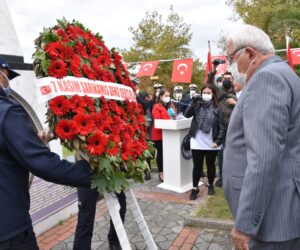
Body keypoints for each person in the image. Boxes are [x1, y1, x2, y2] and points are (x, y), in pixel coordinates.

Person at [0, 57, 92, 250]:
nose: (7, 83)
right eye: (7, 76)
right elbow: (42, 163)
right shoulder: (6, 111)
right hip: (10, 231)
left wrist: (33, 142)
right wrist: (91, 173)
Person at [223, 24, 300, 250]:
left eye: (231, 57)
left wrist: (245, 225)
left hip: (273, 220)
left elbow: (264, 158)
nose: (230, 65)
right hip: (282, 211)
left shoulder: (267, 79)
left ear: (249, 54)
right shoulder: (284, 73)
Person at [184, 84, 224, 199]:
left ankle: (211, 185)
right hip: (197, 141)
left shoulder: (217, 108)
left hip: (212, 142)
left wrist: (218, 141)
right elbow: (187, 115)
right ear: (201, 94)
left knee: (210, 165)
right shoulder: (197, 105)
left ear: (213, 94)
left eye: (208, 93)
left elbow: (221, 126)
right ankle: (195, 188)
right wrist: (192, 103)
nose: (206, 95)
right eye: (204, 93)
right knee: (197, 166)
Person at [214, 71, 237, 187]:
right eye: (225, 78)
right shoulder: (219, 92)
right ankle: (222, 178)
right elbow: (209, 84)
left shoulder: (238, 92)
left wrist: (236, 103)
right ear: (222, 80)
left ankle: (234, 177)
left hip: (235, 129)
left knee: (235, 154)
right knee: (221, 155)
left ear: (233, 80)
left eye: (229, 78)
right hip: (222, 130)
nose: (227, 80)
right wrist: (213, 69)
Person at [151, 88, 176, 181]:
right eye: (165, 96)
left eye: (169, 96)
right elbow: (158, 121)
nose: (168, 98)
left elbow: (174, 116)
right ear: (160, 97)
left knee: (169, 154)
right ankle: (161, 173)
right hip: (159, 135)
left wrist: (174, 119)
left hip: (170, 134)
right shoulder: (157, 106)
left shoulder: (171, 105)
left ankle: (169, 171)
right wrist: (168, 121)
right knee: (161, 154)